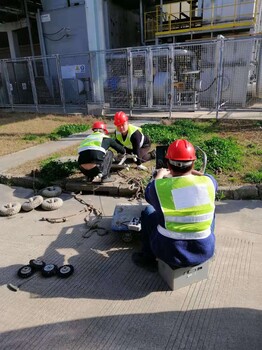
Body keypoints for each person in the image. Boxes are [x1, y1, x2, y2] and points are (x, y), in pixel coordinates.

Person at [132, 139, 217, 272]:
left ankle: (147, 258)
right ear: (193, 163)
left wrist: (159, 175)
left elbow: (149, 193)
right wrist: (192, 172)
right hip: (204, 251)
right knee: (210, 210)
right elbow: (205, 176)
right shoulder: (209, 182)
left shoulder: (157, 187)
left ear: (168, 165)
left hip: (168, 252)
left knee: (149, 212)